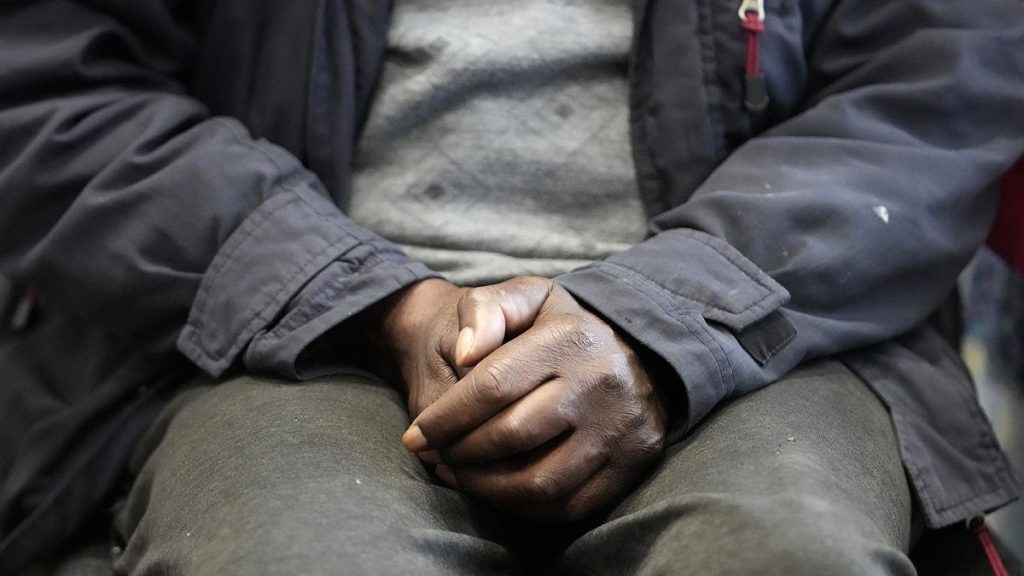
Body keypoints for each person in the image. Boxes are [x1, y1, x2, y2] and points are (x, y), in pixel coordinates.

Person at [0, 0, 1021, 574]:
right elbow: (51, 80)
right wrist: (373, 305)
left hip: (770, 325)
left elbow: (933, 91)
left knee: (783, 559)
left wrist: (658, 326)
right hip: (288, 335)